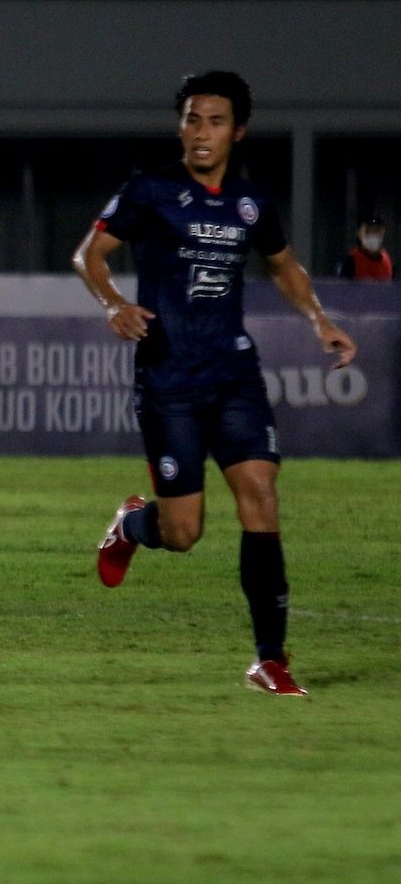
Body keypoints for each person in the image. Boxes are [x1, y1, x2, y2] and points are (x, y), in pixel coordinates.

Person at [75, 71, 356, 696]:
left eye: (216, 122)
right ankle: (132, 526)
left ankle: (269, 660)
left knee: (260, 493)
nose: (202, 134)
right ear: (181, 127)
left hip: (233, 374)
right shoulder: (149, 190)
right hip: (168, 379)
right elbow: (89, 255)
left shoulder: (251, 205)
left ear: (238, 132)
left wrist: (319, 321)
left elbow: (282, 264)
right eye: (193, 120)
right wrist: (114, 304)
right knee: (183, 533)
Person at [333, 215, 391, 281]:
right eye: (368, 231)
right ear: (359, 234)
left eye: (377, 231)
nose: (373, 235)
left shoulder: (387, 260)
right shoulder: (351, 260)